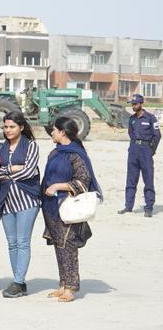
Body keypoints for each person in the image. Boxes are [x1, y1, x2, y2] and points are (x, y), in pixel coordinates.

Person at [41, 115, 102, 302]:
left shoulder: (76, 154)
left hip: (67, 207)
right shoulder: (55, 152)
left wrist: (59, 186)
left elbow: (83, 182)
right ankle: (62, 284)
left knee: (68, 247)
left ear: (62, 132)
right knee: (59, 246)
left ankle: (71, 288)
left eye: (54, 130)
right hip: (51, 207)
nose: (51, 132)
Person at [0, 110, 41, 298]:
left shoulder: (31, 146)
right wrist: (12, 169)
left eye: (12, 126)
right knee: (11, 243)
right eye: (5, 127)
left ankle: (18, 281)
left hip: (27, 200)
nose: (8, 130)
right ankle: (18, 281)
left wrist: (7, 172)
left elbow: (30, 171)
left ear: (21, 127)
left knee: (22, 242)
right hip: (6, 201)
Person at [120, 93, 158, 217]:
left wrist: (151, 150)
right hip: (133, 150)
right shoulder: (132, 119)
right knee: (131, 179)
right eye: (132, 104)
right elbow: (130, 133)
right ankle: (128, 206)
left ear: (141, 104)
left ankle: (148, 208)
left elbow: (157, 135)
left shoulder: (151, 118)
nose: (133, 106)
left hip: (146, 150)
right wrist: (134, 146)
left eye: (135, 104)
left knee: (148, 179)